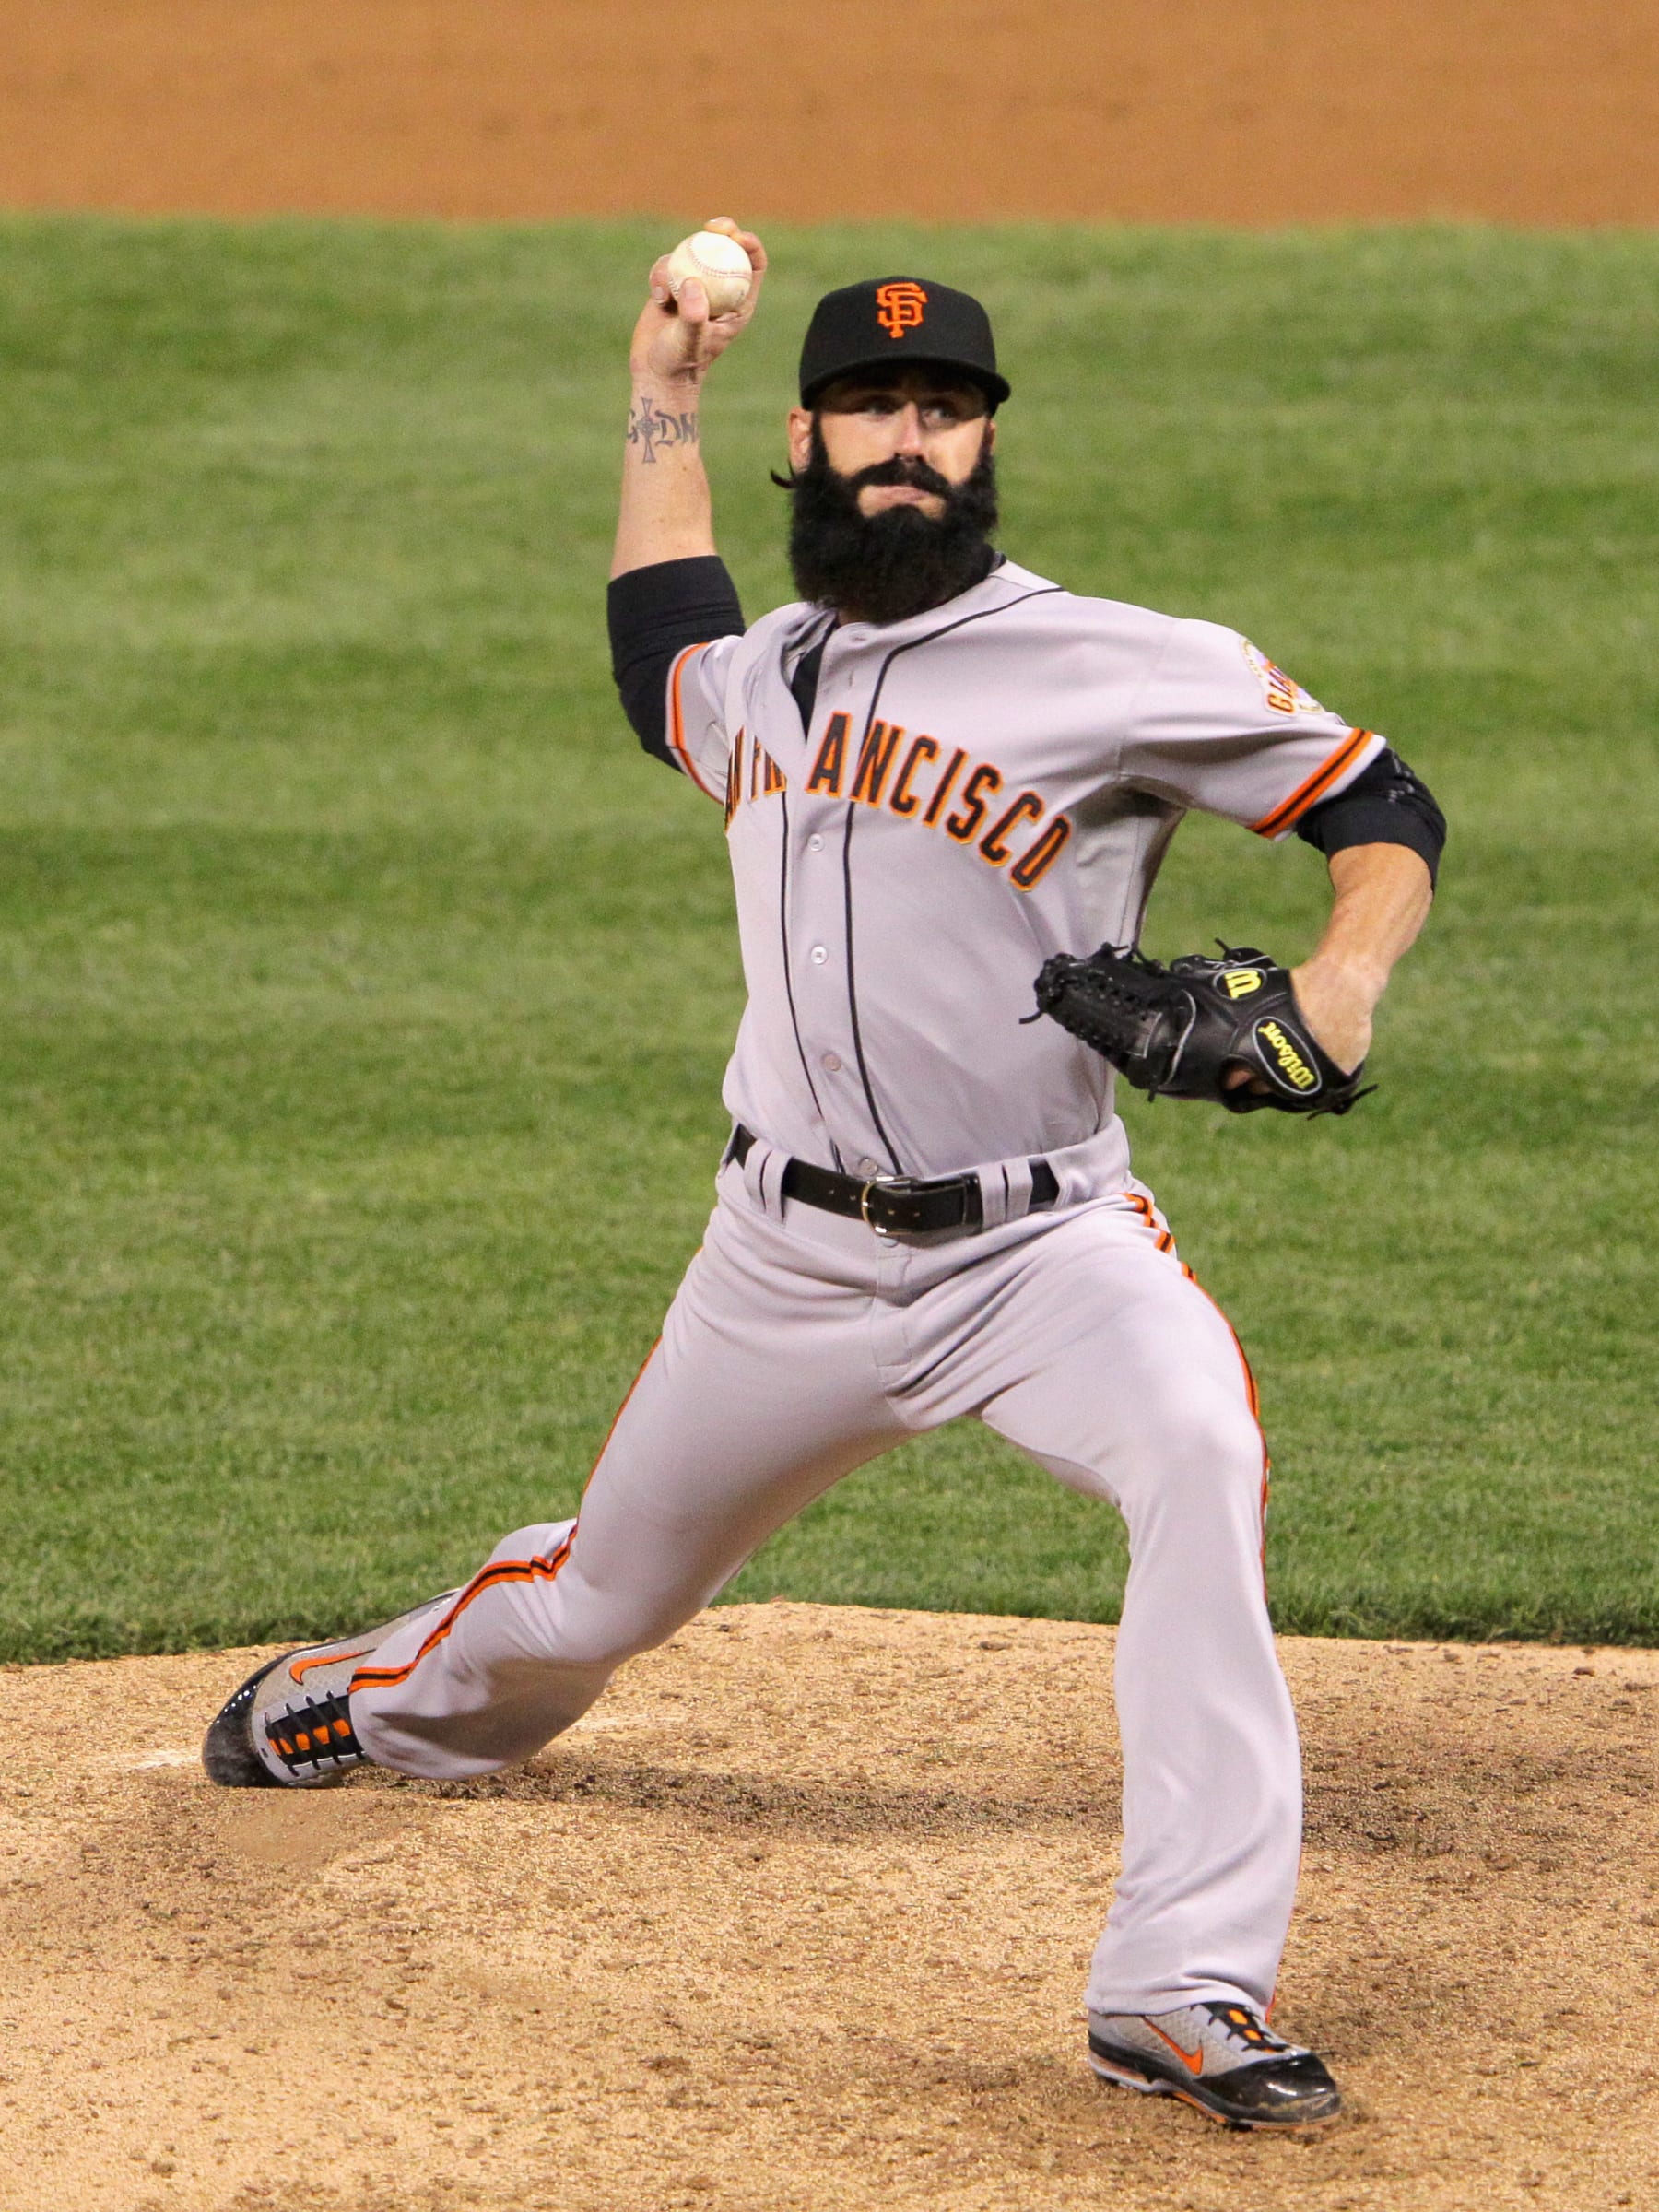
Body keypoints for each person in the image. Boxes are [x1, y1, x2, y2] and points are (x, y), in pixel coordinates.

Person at [204, 219, 1444, 2131]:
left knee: (1200, 1454)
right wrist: (660, 393)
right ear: (809, 439)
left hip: (1045, 1252)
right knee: (596, 1604)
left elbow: (1376, 798)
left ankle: (1183, 1984)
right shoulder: (768, 677)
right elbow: (656, 654)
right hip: (777, 1266)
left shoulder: (1119, 662)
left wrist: (1345, 981)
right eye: (871, 406)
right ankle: (371, 1700)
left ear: (986, 449)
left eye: (943, 411)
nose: (906, 442)